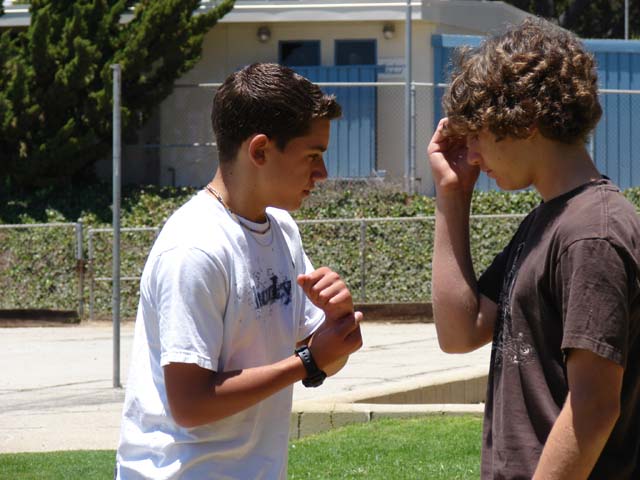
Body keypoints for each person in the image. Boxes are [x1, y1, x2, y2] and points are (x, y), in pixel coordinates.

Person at [115, 63, 363, 479]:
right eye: (313, 155)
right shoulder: (194, 248)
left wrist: (338, 326)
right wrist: (306, 362)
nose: (322, 173)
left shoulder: (281, 229)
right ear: (260, 151)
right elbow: (190, 404)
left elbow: (323, 358)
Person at [428, 19, 640, 479]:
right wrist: (452, 194)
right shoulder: (550, 221)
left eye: (478, 133)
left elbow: (594, 406)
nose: (472, 154)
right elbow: (460, 332)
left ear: (524, 120)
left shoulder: (591, 234)